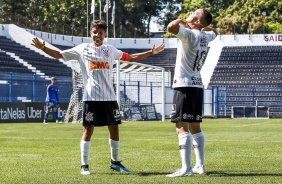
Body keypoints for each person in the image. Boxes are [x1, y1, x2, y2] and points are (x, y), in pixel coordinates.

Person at [31, 20, 165, 175]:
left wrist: (151, 52)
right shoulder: (82, 49)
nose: (97, 35)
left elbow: (131, 57)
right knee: (88, 129)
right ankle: (84, 166)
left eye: (101, 32)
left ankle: (115, 162)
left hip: (109, 98)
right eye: (95, 32)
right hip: (91, 98)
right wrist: (43, 48)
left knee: (114, 128)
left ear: (104, 34)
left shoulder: (110, 50)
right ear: (91, 33)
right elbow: (58, 54)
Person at [166, 9, 217, 177]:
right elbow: (214, 31)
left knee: (181, 127)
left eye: (194, 13)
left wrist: (181, 20)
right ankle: (200, 166)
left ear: (197, 22)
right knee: (196, 126)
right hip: (196, 85)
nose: (190, 12)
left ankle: (186, 168)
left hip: (184, 85)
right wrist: (194, 24)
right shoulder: (205, 36)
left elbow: (170, 27)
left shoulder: (189, 35)